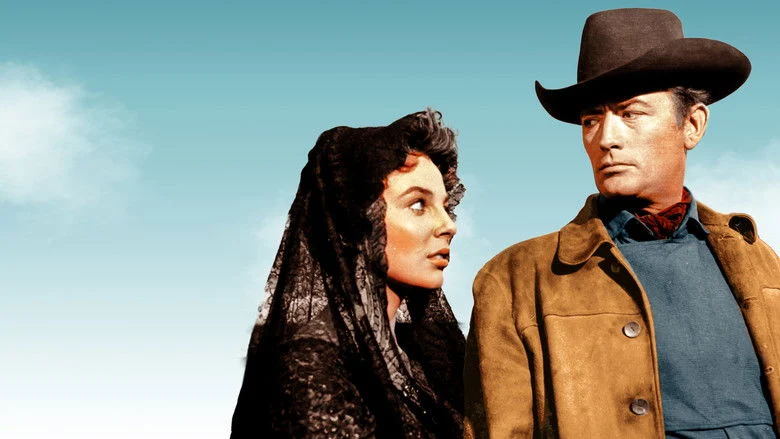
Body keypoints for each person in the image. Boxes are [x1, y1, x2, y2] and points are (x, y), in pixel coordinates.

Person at [464, 8, 780, 438]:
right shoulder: (515, 279)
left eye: (630, 113)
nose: (606, 138)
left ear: (692, 124)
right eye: (591, 120)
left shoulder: (758, 261)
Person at [231, 109, 466, 438]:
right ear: (353, 223)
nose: (448, 225)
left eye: (446, 206)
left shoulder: (422, 358)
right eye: (418, 205)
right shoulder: (312, 366)